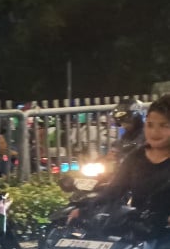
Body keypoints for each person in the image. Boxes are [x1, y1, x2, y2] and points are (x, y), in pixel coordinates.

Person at [69, 95, 170, 226]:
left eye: (164, 126)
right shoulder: (136, 157)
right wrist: (84, 211)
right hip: (139, 229)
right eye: (150, 125)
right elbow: (114, 191)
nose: (155, 132)